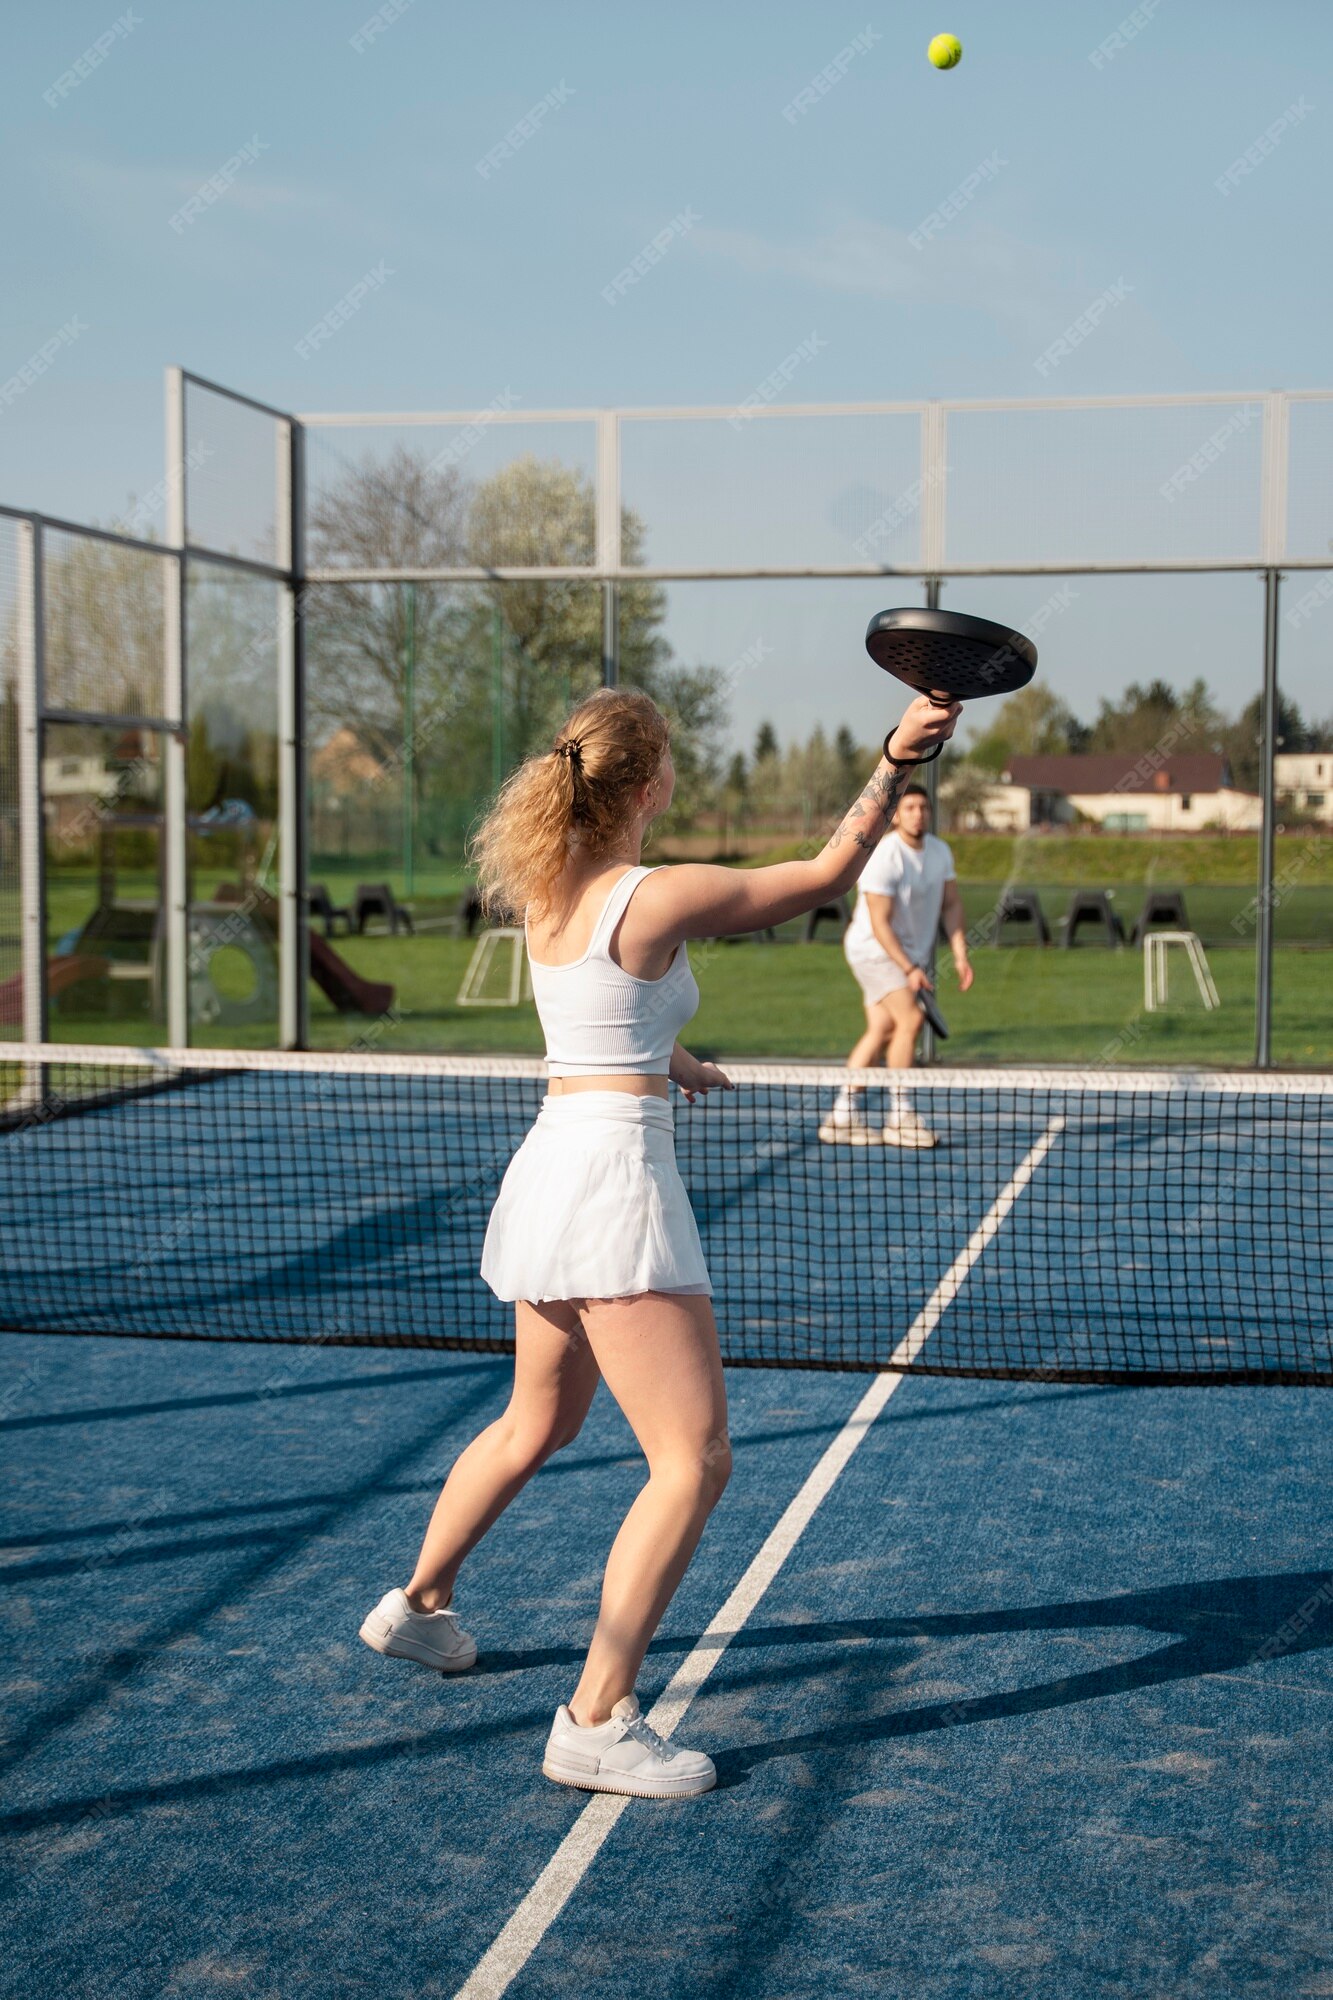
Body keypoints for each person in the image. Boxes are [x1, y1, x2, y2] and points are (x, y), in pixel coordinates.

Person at [359, 684, 960, 1799]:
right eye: (672, 760)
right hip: (611, 1182)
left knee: (535, 1417)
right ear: (649, 785)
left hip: (550, 1162)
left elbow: (593, 1017)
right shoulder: (654, 891)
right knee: (693, 1457)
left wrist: (668, 1057)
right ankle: (595, 1717)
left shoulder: (550, 887)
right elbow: (823, 876)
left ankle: (417, 1605)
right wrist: (891, 757)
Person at [820, 783, 972, 1151]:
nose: (918, 813)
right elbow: (879, 923)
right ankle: (899, 1116)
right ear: (897, 815)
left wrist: (960, 953)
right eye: (910, 807)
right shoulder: (886, 855)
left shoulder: (939, 852)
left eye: (923, 807)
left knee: (883, 1029)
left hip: (904, 955)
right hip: (873, 950)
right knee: (910, 1020)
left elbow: (951, 905)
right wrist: (909, 969)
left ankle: (842, 1116)